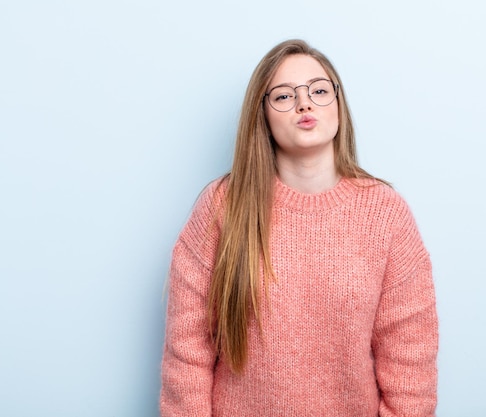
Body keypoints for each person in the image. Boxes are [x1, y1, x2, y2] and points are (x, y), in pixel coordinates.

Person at [160, 39, 438, 417]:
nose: (305, 104)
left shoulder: (386, 213)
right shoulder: (223, 206)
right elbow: (187, 354)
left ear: (339, 105)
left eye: (319, 91)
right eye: (284, 96)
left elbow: (411, 361)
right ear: (263, 114)